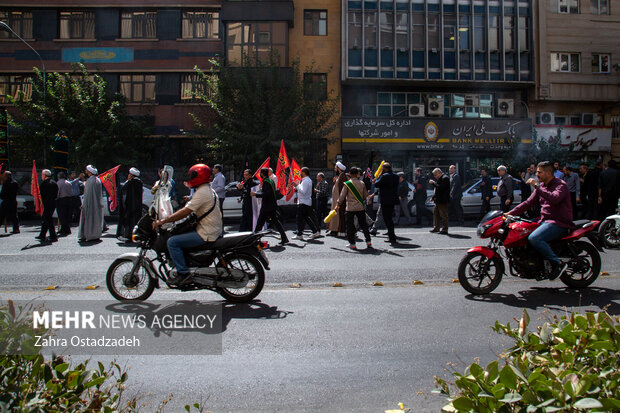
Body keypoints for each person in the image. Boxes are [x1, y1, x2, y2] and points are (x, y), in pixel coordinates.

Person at [152, 164, 222, 285]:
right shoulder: (206, 189)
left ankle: (183, 274)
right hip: (210, 228)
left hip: (206, 232)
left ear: (198, 176)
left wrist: (163, 221)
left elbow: (185, 212)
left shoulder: (202, 192)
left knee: (172, 242)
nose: (189, 178)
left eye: (192, 176)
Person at [508, 161, 573, 280]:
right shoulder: (542, 186)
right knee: (521, 230)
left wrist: (537, 186)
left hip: (558, 222)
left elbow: (555, 199)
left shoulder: (560, 185)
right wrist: (509, 214)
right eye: (537, 172)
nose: (536, 174)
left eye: (539, 172)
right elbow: (528, 203)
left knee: (534, 238)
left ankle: (557, 263)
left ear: (548, 172)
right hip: (544, 220)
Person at [337, 167, 371, 250]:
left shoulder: (347, 184)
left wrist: (338, 203)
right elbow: (365, 195)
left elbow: (342, 196)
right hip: (360, 207)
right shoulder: (362, 183)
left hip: (350, 208)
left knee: (350, 226)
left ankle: (352, 243)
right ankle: (368, 241)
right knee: (363, 225)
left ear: (350, 174)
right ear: (357, 174)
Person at [252, 167, 288, 245]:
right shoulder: (270, 180)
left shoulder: (266, 182)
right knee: (276, 222)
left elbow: (267, 193)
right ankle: (284, 238)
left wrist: (256, 194)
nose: (260, 174)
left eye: (260, 173)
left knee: (260, 223)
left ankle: (255, 240)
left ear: (262, 174)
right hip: (272, 205)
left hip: (266, 206)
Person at [291, 167, 320, 241]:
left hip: (304, 202)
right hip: (305, 202)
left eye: (301, 172)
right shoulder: (306, 180)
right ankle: (314, 231)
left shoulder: (306, 181)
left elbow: (303, 191)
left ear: (304, 172)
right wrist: (297, 185)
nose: (300, 173)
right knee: (306, 218)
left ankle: (300, 234)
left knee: (299, 218)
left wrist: (296, 185)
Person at [374, 162, 400, 243]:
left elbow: (376, 184)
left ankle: (392, 237)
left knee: (387, 218)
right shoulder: (396, 176)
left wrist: (380, 176)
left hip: (385, 200)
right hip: (393, 199)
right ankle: (391, 234)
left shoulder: (384, 176)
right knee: (389, 218)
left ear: (384, 169)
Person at [78, 165, 104, 242]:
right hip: (97, 205)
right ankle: (95, 234)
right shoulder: (98, 180)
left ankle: (88, 235)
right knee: (96, 220)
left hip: (89, 204)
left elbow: (87, 195)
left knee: (89, 220)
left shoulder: (89, 181)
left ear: (89, 172)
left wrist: (84, 205)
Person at [117, 167, 143, 241]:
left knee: (130, 222)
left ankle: (129, 235)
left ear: (131, 175)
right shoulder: (139, 182)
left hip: (130, 206)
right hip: (137, 206)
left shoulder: (131, 183)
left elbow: (124, 192)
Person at [36, 169, 58, 242]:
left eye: (42, 175)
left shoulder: (44, 184)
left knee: (48, 219)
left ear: (45, 175)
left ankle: (53, 235)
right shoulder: (54, 183)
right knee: (46, 219)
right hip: (53, 203)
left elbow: (42, 196)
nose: (41, 176)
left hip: (47, 203)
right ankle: (42, 234)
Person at [328, 161, 347, 236]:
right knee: (335, 215)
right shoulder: (340, 176)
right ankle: (334, 229)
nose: (334, 169)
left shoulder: (343, 176)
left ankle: (339, 230)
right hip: (336, 199)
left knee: (339, 215)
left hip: (339, 200)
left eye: (335, 167)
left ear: (339, 169)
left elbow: (343, 189)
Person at [429, 168, 450, 234]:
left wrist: (433, 183)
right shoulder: (440, 178)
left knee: (443, 215)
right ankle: (436, 227)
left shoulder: (445, 178)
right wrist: (433, 197)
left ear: (439, 173)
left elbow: (441, 188)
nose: (435, 176)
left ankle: (445, 229)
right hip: (438, 200)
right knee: (436, 214)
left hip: (442, 200)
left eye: (435, 175)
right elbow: (437, 190)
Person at [55, 171, 73, 236]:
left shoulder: (58, 183)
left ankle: (65, 230)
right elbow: (71, 192)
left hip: (61, 200)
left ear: (58, 177)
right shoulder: (69, 183)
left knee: (62, 216)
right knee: (67, 215)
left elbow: (57, 193)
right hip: (68, 199)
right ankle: (65, 229)